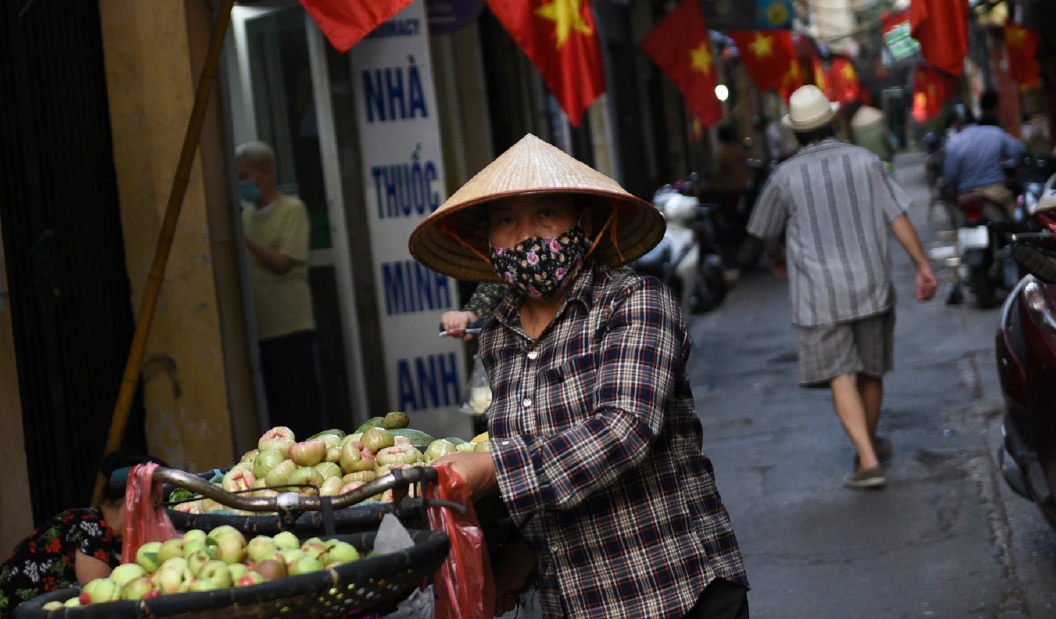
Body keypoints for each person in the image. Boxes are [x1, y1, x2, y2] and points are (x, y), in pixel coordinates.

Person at [412, 134, 748, 619]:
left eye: (545, 214)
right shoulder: (498, 338)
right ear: (487, 240)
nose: (525, 236)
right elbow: (546, 476)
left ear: (584, 225)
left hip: (673, 587)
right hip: (578, 599)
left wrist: (491, 470)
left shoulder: (636, 303)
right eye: (506, 220)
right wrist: (517, 566)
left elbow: (623, 429)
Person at [746, 86, 938, 490]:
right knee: (870, 371)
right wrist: (923, 266)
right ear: (833, 122)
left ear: (796, 133)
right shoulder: (866, 161)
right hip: (871, 284)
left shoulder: (784, 177)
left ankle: (868, 459)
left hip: (819, 296)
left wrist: (775, 255)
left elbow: (765, 231)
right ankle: (869, 447)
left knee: (841, 374)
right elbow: (898, 218)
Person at [0, 453, 163, 618]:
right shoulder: (90, 528)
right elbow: (102, 605)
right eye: (154, 507)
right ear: (134, 498)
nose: (156, 517)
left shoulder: (87, 523)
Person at [236, 141, 325, 436]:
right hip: (260, 333)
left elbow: (283, 262)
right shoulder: (246, 218)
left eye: (244, 176)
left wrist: (244, 238)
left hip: (291, 329)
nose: (241, 184)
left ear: (265, 172)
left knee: (301, 410)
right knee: (276, 419)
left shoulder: (292, 210)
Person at [943, 92, 1026, 211]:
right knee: (1016, 226)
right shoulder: (995, 132)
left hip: (967, 198)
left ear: (956, 124)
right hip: (996, 193)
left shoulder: (952, 144)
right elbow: (1020, 151)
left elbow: (951, 177)